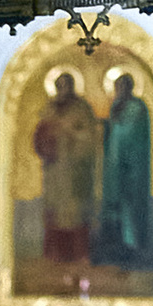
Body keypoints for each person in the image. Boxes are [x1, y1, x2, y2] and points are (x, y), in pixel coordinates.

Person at [31, 67, 98, 279]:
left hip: (74, 170)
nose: (62, 89)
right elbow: (40, 133)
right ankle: (56, 254)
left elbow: (89, 136)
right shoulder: (50, 108)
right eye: (59, 86)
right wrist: (47, 138)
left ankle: (78, 255)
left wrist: (70, 134)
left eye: (65, 85)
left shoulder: (81, 108)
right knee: (54, 210)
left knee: (74, 212)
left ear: (72, 86)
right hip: (54, 170)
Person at [94, 64, 153, 271]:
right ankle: (115, 247)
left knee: (130, 208)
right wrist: (105, 127)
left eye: (122, 86)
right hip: (115, 168)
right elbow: (114, 133)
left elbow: (129, 133)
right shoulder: (117, 106)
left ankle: (132, 248)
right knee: (114, 207)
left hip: (132, 168)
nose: (119, 90)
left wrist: (113, 125)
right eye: (117, 86)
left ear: (130, 87)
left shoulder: (137, 108)